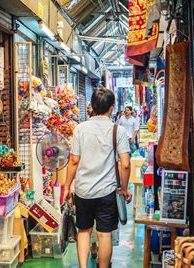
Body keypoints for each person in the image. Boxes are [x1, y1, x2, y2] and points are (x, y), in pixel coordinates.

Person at [64, 88, 132, 268]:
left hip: (83, 191)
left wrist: (66, 186)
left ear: (92, 106)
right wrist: (124, 188)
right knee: (104, 234)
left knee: (84, 231)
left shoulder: (80, 129)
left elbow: (73, 161)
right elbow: (125, 163)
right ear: (111, 108)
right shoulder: (119, 131)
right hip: (106, 192)